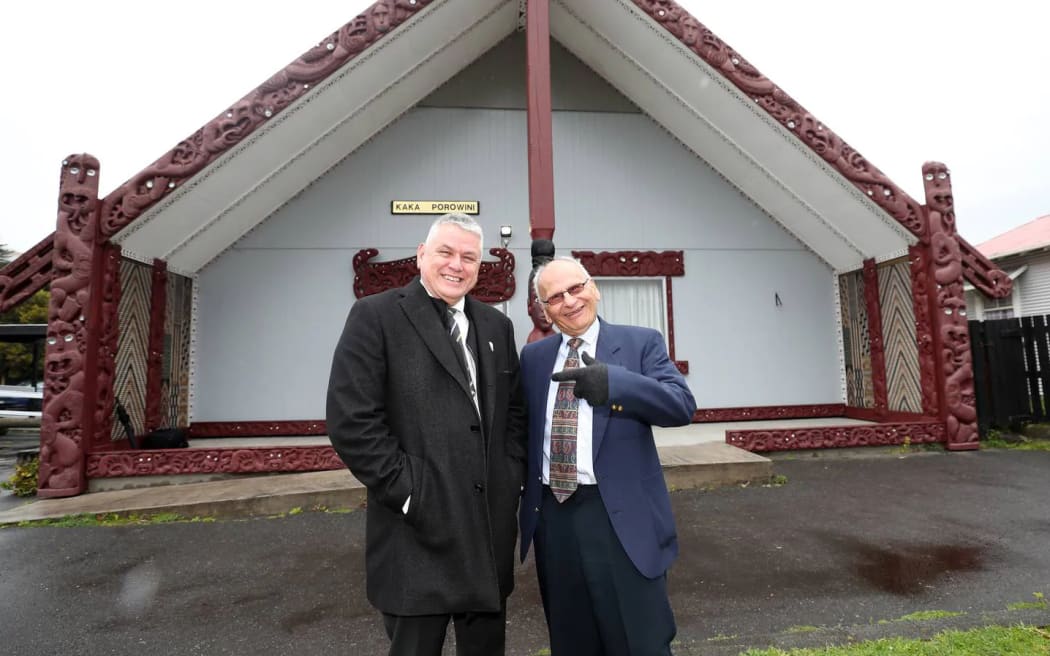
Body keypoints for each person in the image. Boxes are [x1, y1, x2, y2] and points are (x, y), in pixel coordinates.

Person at [326, 213, 527, 656]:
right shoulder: (375, 315)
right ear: (421, 255)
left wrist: (510, 477)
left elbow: (513, 413)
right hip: (415, 533)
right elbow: (352, 421)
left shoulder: (497, 327)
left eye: (469, 257)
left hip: (487, 533)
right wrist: (410, 492)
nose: (457, 265)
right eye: (446, 252)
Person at [518, 256, 697, 656]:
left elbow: (680, 405)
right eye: (555, 297)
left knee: (640, 643)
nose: (569, 301)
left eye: (576, 288)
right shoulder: (533, 358)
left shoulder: (640, 342)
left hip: (620, 520)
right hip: (554, 516)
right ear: (544, 310)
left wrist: (615, 384)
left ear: (593, 286)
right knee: (573, 641)